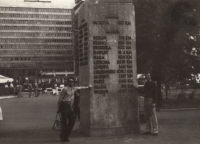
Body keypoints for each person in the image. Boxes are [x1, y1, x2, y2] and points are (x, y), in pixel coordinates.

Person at [57, 77, 92, 142]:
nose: (71, 82)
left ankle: (65, 134)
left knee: (72, 120)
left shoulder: (74, 88)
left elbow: (81, 88)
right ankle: (64, 137)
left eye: (72, 81)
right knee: (64, 122)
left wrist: (88, 87)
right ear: (67, 82)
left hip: (69, 106)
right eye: (70, 81)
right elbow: (60, 99)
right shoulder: (65, 89)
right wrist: (58, 108)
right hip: (63, 106)